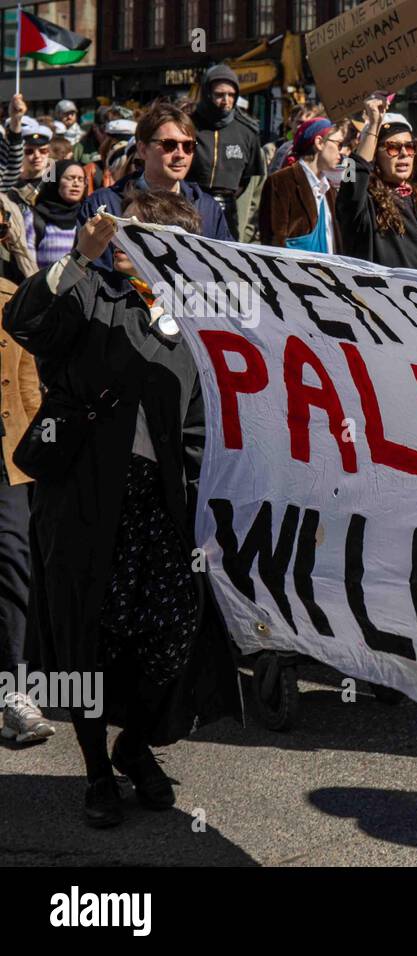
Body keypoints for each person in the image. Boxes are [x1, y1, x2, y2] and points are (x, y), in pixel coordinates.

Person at [4, 190, 243, 826]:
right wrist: (78, 259)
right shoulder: (88, 293)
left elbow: (201, 419)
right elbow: (25, 322)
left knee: (168, 636)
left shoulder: (192, 320)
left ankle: (134, 747)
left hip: (160, 508)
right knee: (89, 636)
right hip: (83, 499)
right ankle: (94, 771)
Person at [78, 103, 233, 273]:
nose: (180, 154)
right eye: (169, 145)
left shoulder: (207, 207)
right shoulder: (104, 205)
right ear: (142, 150)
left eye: (188, 146)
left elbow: (224, 269)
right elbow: (88, 272)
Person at [0, 198, 45, 746]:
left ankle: (16, 689)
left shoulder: (15, 300)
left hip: (9, 455)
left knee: (15, 557)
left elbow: (32, 386)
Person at [337, 100, 417, 275]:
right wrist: (374, 125)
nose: (404, 153)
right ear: (375, 156)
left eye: (410, 146)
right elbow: (352, 173)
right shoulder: (364, 203)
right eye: (393, 148)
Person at [187, 64, 266, 237]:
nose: (226, 101)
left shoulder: (247, 131)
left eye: (231, 95)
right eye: (219, 95)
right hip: (189, 204)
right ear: (207, 93)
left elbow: (248, 179)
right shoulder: (188, 125)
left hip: (229, 209)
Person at [258, 119, 345, 252]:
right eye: (339, 144)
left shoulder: (329, 189)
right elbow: (273, 245)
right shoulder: (280, 182)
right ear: (319, 143)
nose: (342, 152)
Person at [25, 160, 86, 270]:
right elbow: (26, 265)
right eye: (70, 178)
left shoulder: (84, 218)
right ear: (56, 181)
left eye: (80, 179)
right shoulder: (34, 218)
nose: (76, 183)